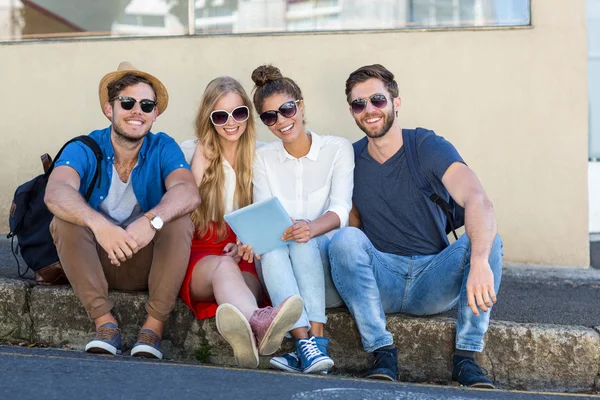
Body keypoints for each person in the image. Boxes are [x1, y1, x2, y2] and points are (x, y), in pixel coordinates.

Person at [328, 64, 503, 388]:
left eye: (377, 100)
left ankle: (466, 358)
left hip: (433, 278)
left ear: (396, 102)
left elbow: (478, 199)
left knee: (488, 238)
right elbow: (348, 224)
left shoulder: (425, 145)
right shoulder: (349, 159)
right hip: (383, 280)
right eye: (359, 104)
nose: (369, 110)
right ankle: (382, 353)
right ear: (352, 111)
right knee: (345, 240)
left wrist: (478, 261)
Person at [45, 61, 201, 359]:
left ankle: (152, 329)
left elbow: (187, 191)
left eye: (146, 104)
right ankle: (106, 325)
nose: (136, 111)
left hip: (146, 263)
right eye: (127, 102)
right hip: (95, 262)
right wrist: (100, 226)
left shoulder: (162, 147)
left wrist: (151, 220)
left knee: (178, 222)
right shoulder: (85, 146)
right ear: (109, 109)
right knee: (64, 221)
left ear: (155, 113)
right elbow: (56, 192)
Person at [178, 76, 303, 369]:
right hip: (200, 252)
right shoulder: (188, 151)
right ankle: (261, 322)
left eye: (239, 113)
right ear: (208, 119)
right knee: (224, 268)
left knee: (241, 283)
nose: (231, 122)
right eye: (220, 116)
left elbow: (269, 212)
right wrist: (198, 166)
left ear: (248, 113)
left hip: (245, 251)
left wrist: (251, 241)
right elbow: (176, 211)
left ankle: (247, 333)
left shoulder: (263, 154)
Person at [250, 65, 353, 374]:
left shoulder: (337, 149)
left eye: (287, 109)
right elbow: (263, 213)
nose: (282, 120)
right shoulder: (263, 157)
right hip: (279, 269)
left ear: (301, 106)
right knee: (274, 246)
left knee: (304, 241)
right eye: (271, 116)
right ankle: (308, 344)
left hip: (324, 275)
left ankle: (308, 344)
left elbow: (341, 210)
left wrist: (310, 227)